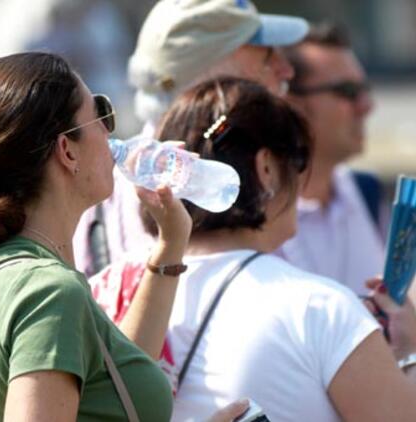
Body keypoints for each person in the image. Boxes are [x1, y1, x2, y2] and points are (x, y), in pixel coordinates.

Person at [0, 52, 248, 421]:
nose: (111, 131)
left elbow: (111, 382)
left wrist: (171, 243)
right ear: (67, 149)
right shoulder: (48, 291)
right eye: (100, 113)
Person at [90, 77, 416, 421]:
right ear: (267, 168)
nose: (301, 178)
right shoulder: (318, 308)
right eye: (299, 159)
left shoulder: (107, 291)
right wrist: (408, 352)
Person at [73, 0, 309, 276]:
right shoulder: (224, 178)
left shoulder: (99, 192)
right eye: (267, 57)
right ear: (210, 80)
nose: (287, 70)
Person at [279, 22, 384, 294]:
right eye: (348, 92)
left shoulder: (367, 191)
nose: (366, 106)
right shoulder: (248, 215)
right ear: (291, 102)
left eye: (365, 89)